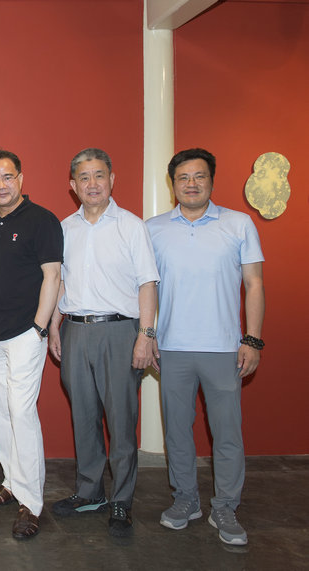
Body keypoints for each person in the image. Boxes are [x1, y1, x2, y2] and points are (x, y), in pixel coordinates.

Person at [147, 148, 265, 546]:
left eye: (199, 176)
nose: (191, 184)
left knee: (227, 434)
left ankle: (226, 506)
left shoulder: (238, 224)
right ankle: (185, 500)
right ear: (172, 184)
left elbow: (254, 285)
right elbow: (145, 288)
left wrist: (252, 339)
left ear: (211, 180)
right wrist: (149, 335)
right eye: (183, 177)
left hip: (224, 348)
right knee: (177, 432)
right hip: (172, 348)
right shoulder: (154, 229)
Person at [48, 148, 159, 538]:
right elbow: (62, 282)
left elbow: (147, 283)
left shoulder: (131, 226)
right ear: (73, 185)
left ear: (112, 180)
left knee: (121, 419)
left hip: (119, 332)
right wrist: (55, 326)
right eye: (84, 177)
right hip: (76, 330)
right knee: (83, 417)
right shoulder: (65, 228)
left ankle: (122, 499)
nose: (92, 184)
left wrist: (146, 335)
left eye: (99, 175)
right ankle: (90, 491)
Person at [0, 150, 63, 539]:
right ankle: (12, 482)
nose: (1, 185)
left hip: (26, 333)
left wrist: (39, 328)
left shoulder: (43, 220)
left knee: (21, 413)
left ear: (21, 179)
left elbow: (53, 276)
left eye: (7, 177)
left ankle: (31, 502)